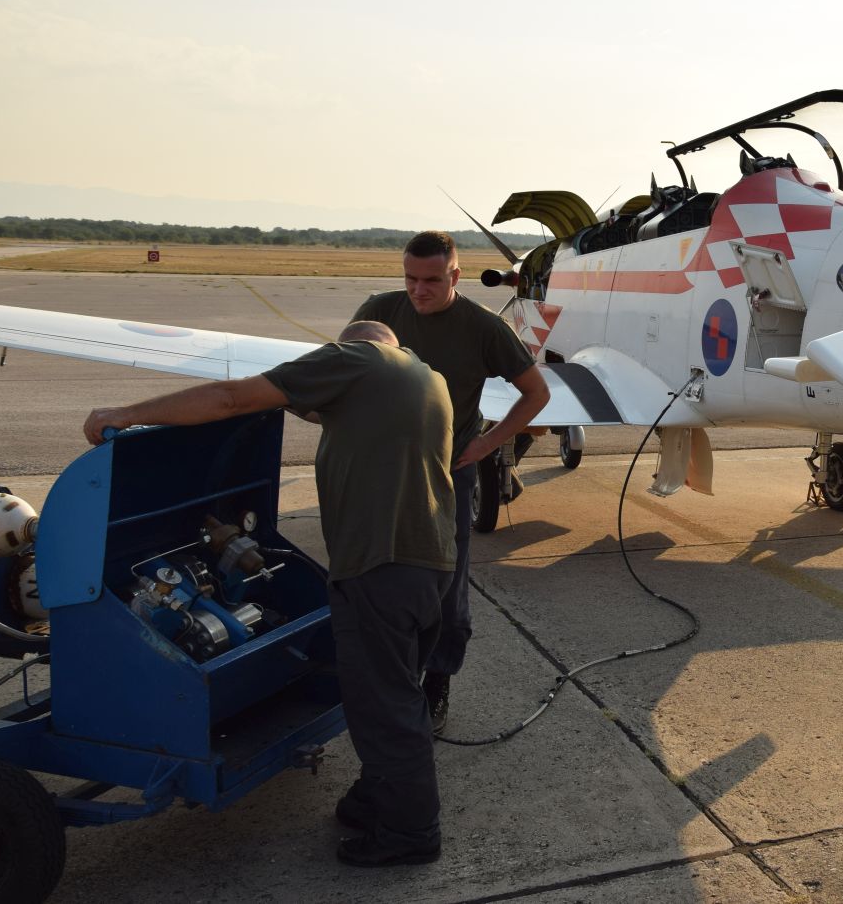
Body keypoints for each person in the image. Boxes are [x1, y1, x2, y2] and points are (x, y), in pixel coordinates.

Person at [84, 321, 457, 868]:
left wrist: (125, 414)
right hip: (427, 566)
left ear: (352, 347)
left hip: (381, 567)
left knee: (384, 704)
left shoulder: (355, 359)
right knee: (394, 691)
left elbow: (231, 396)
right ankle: (381, 796)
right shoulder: (425, 379)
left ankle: (411, 832)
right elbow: (307, 408)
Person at [352, 230, 549, 734]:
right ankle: (388, 680)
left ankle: (436, 684)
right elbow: (342, 372)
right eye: (410, 279)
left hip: (447, 477)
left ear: (456, 276)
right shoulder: (379, 311)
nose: (418, 290)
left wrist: (487, 445)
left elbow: (535, 393)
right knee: (377, 579)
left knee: (447, 588)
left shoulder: (482, 328)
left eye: (432, 280)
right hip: (383, 472)